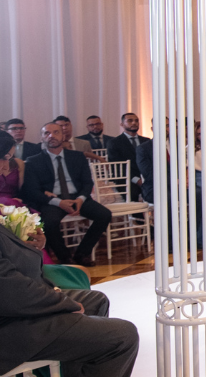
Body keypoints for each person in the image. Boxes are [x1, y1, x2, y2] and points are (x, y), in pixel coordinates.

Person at [0, 213, 144, 377]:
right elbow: (10, 293)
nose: (6, 173)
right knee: (123, 335)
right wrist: (63, 303)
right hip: (10, 326)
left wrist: (32, 246)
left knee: (96, 301)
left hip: (15, 312)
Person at [22, 123, 112, 266]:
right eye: (47, 133)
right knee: (49, 222)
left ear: (63, 136)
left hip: (78, 197)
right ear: (41, 138)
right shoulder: (33, 161)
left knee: (104, 214)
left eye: (56, 132)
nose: (51, 136)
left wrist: (81, 199)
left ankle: (82, 253)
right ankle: (64, 257)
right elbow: (32, 191)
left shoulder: (77, 157)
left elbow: (87, 183)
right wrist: (58, 202)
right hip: (52, 201)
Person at [107, 112, 150, 199]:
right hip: (126, 178)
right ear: (122, 124)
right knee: (132, 194)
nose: (134, 123)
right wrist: (137, 180)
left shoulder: (146, 141)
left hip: (146, 177)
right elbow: (117, 166)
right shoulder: (114, 143)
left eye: (136, 121)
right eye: (130, 121)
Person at [0, 131, 26, 206]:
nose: (6, 167)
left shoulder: (18, 163)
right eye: (4, 158)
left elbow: (23, 190)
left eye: (9, 158)